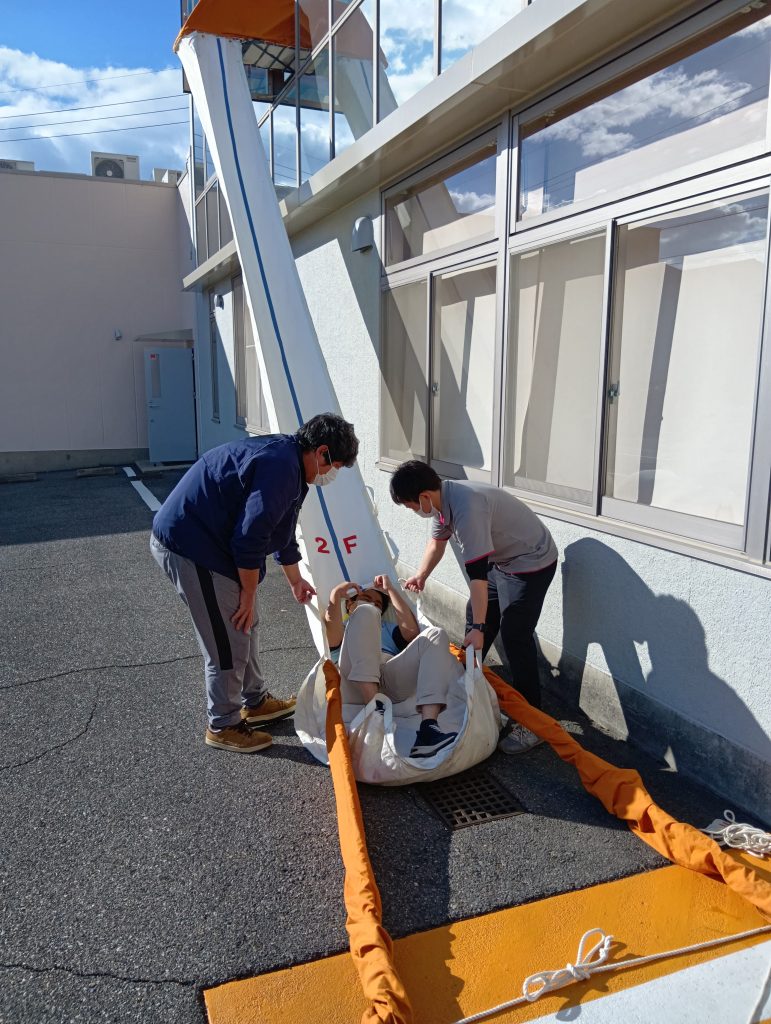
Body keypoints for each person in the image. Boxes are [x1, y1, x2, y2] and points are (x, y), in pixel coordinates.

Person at [150, 412, 359, 754]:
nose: (332, 474)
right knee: (227, 638)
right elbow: (249, 538)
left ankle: (255, 701)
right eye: (334, 465)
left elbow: (282, 531)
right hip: (191, 546)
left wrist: (295, 581)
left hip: (215, 544)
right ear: (321, 452)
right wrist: (248, 592)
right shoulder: (281, 468)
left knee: (246, 624)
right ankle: (223, 724)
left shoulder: (293, 465)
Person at [390, 460, 558, 754]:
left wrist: (479, 628)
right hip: (503, 561)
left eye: (410, 505)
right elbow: (437, 543)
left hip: (532, 560)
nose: (412, 511)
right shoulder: (442, 502)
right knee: (476, 616)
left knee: (514, 633)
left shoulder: (468, 508)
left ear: (424, 497)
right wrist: (421, 575)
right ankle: (467, 688)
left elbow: (478, 578)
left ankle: (532, 722)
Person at [325, 574, 460, 758]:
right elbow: (331, 639)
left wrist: (390, 590)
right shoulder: (344, 626)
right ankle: (375, 712)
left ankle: (428, 729)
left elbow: (412, 633)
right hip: (353, 682)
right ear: (349, 604)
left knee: (436, 634)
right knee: (365, 612)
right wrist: (334, 596)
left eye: (378, 604)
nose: (373, 605)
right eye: (367, 598)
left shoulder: (387, 628)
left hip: (388, 677)